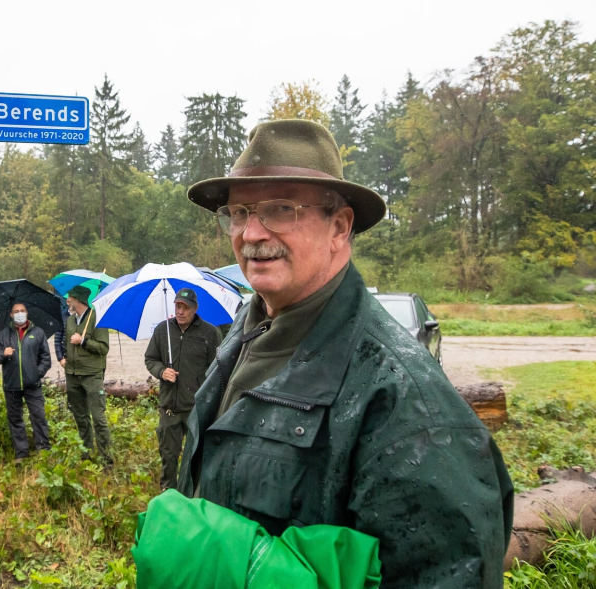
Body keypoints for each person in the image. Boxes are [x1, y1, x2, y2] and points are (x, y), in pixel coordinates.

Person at [178, 119, 513, 587]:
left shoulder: (406, 399)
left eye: (279, 209)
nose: (251, 232)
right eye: (239, 212)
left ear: (339, 226)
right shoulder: (245, 331)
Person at [144, 287, 220, 490]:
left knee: (197, 456)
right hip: (170, 406)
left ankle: (195, 495)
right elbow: (150, 358)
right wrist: (162, 371)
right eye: (177, 306)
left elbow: (218, 369)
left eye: (185, 307)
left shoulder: (210, 333)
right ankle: (168, 494)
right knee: (168, 455)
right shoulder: (163, 330)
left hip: (197, 408)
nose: (180, 311)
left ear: (195, 309)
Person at [0, 302, 52, 462]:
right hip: (11, 385)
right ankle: (21, 453)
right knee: (15, 419)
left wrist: (36, 374)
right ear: (11, 315)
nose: (19, 313)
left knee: (38, 417)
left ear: (27, 313)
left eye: (22, 311)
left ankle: (43, 451)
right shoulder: (3, 334)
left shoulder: (38, 333)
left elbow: (46, 358)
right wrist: (3, 354)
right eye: (16, 311)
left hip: (33, 385)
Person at [61, 285, 112, 466]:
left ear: (78, 300)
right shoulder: (70, 320)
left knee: (98, 419)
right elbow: (66, 343)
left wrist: (83, 341)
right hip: (72, 375)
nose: (67, 301)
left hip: (92, 375)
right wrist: (64, 358)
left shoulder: (97, 318)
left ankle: (107, 460)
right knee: (80, 418)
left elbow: (103, 348)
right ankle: (87, 456)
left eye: (70, 298)